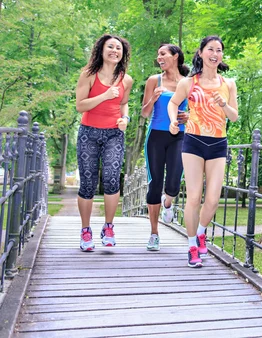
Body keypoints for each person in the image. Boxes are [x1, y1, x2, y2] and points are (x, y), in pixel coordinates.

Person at [168, 35, 238, 267]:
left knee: (213, 200)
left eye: (219, 50)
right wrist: (173, 121)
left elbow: (234, 116)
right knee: (194, 196)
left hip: (218, 143)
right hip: (193, 142)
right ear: (200, 53)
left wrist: (223, 104)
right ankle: (191, 247)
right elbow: (173, 103)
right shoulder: (188, 83)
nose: (215, 54)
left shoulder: (228, 84)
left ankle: (200, 232)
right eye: (210, 49)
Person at [75, 34, 133, 252]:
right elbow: (80, 106)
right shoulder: (88, 75)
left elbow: (124, 104)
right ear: (101, 50)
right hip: (88, 132)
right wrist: (106, 94)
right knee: (88, 184)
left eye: (118, 48)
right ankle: (85, 230)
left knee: (111, 180)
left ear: (122, 53)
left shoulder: (126, 79)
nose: (114, 51)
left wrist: (125, 119)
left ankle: (109, 227)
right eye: (110, 47)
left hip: (113, 134)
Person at [140, 44, 189, 251]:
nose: (159, 57)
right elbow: (144, 113)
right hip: (156, 136)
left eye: (163, 54)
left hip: (180, 135)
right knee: (155, 183)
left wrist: (189, 116)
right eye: (158, 54)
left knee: (174, 183)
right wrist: (153, 98)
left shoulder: (188, 82)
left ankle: (168, 203)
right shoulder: (154, 80)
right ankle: (154, 233)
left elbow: (195, 111)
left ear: (175, 56)